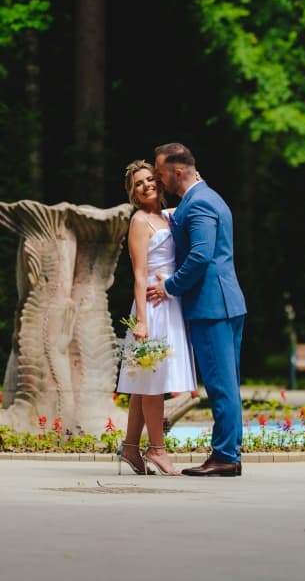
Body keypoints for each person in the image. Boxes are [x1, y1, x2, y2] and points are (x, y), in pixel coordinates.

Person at [147, 143, 247, 477]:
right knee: (226, 382)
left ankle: (225, 457)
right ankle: (227, 453)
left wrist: (169, 286)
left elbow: (201, 255)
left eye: (160, 174)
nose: (158, 182)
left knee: (221, 384)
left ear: (177, 172)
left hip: (212, 306)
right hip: (224, 303)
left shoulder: (200, 202)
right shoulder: (206, 197)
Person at [115, 161, 196, 476]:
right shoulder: (139, 221)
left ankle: (131, 448)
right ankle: (158, 450)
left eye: (150, 179)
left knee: (143, 383)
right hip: (151, 308)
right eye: (139, 183)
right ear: (133, 193)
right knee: (153, 382)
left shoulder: (169, 216)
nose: (146, 185)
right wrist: (142, 321)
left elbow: (192, 199)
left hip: (170, 303)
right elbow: (138, 274)